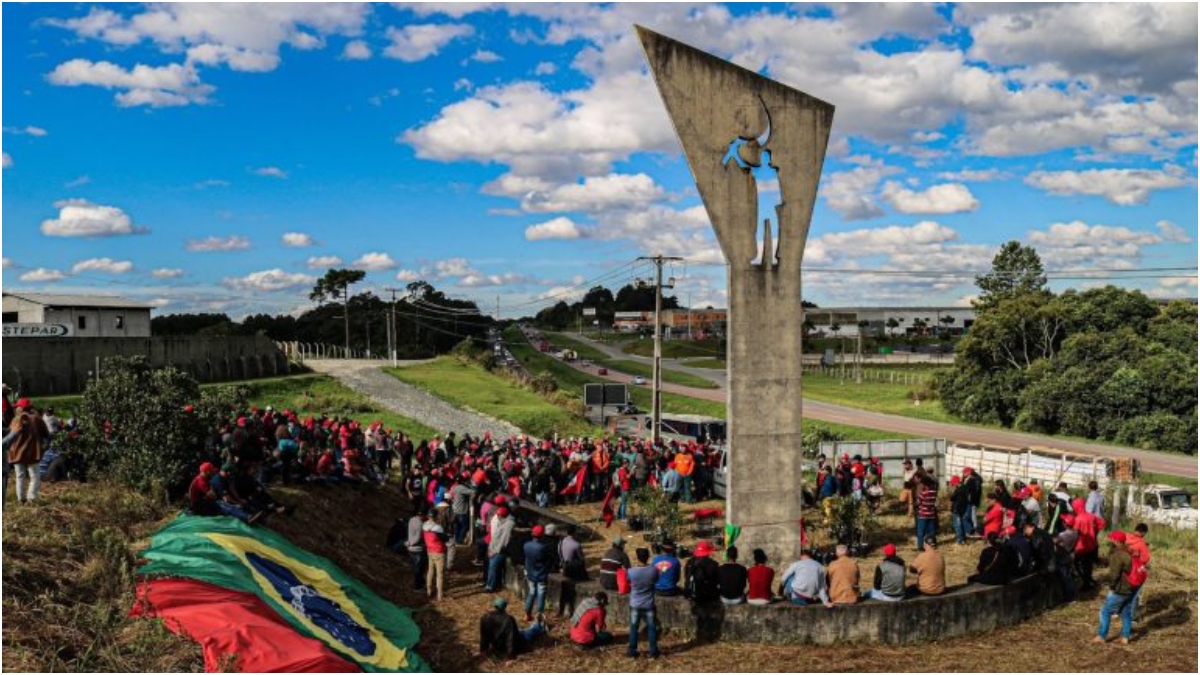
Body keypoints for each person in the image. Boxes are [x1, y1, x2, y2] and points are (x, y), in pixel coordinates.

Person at [1093, 531, 1136, 644]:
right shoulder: (1128, 552)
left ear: (1116, 541)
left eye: (1111, 539)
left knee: (1105, 611)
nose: (1110, 541)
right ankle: (1125, 637)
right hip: (1131, 587)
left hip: (1120, 588)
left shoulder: (1118, 555)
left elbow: (1115, 574)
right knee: (1125, 612)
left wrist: (1112, 586)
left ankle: (1101, 636)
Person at [7, 399, 50, 504]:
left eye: (18, 406)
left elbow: (9, 437)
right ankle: (31, 498)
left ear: (22, 408)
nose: (16, 408)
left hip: (17, 453)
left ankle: (21, 499)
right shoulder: (37, 419)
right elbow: (46, 434)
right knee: (34, 476)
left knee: (20, 476)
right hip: (33, 452)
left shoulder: (15, 420)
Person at [479, 597, 545, 659]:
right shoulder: (508, 619)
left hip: (496, 645)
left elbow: (484, 636)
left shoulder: (485, 617)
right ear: (504, 608)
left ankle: (536, 626)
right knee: (528, 632)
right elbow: (510, 638)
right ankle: (539, 626)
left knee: (522, 631)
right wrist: (510, 655)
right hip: (509, 645)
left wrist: (483, 649)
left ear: (494, 606)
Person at [626, 547, 661, 659]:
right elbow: (656, 580)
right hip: (648, 604)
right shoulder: (653, 570)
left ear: (637, 557)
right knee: (651, 627)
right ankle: (653, 652)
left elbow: (627, 581)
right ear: (648, 557)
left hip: (635, 604)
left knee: (634, 628)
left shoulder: (631, 571)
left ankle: (632, 651)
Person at [523, 525, 552, 622]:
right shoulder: (544, 547)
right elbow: (548, 561)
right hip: (541, 574)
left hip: (530, 572)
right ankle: (539, 615)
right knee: (541, 594)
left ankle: (527, 614)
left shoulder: (526, 545)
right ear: (542, 535)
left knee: (531, 593)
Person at [485, 506, 514, 593]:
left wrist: (495, 551)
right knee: (491, 567)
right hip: (493, 548)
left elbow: (504, 540)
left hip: (499, 550)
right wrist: (490, 548)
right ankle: (490, 584)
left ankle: (490, 586)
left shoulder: (508, 524)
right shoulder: (503, 522)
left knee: (493, 567)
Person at [1126, 523, 1151, 619]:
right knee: (1135, 594)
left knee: (1122, 591)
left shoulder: (1126, 537)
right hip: (1135, 571)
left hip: (1123, 568)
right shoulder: (1141, 544)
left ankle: (1118, 611)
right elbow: (1145, 558)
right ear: (1143, 533)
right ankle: (1132, 616)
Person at [422, 512, 448, 601]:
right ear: (436, 517)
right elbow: (445, 538)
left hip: (429, 550)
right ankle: (440, 595)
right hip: (439, 552)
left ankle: (429, 590)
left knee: (430, 570)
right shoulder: (438, 528)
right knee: (439, 574)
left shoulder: (424, 525)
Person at [406, 509, 428, 593]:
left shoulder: (411, 520)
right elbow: (418, 538)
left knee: (416, 568)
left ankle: (421, 583)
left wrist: (409, 542)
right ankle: (417, 587)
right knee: (419, 569)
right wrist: (411, 543)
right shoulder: (420, 524)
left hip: (411, 549)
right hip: (418, 549)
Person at [915, 475, 938, 551]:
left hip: (922, 514)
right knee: (931, 531)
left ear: (924, 484)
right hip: (931, 514)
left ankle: (921, 546)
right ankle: (932, 544)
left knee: (921, 531)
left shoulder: (923, 493)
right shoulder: (934, 492)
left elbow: (918, 502)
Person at [948, 475, 971, 545]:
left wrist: (954, 491)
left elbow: (952, 498)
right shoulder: (965, 488)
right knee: (961, 524)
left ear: (955, 482)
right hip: (963, 508)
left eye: (953, 483)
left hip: (957, 509)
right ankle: (963, 538)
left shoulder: (958, 489)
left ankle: (960, 540)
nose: (952, 485)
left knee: (957, 525)